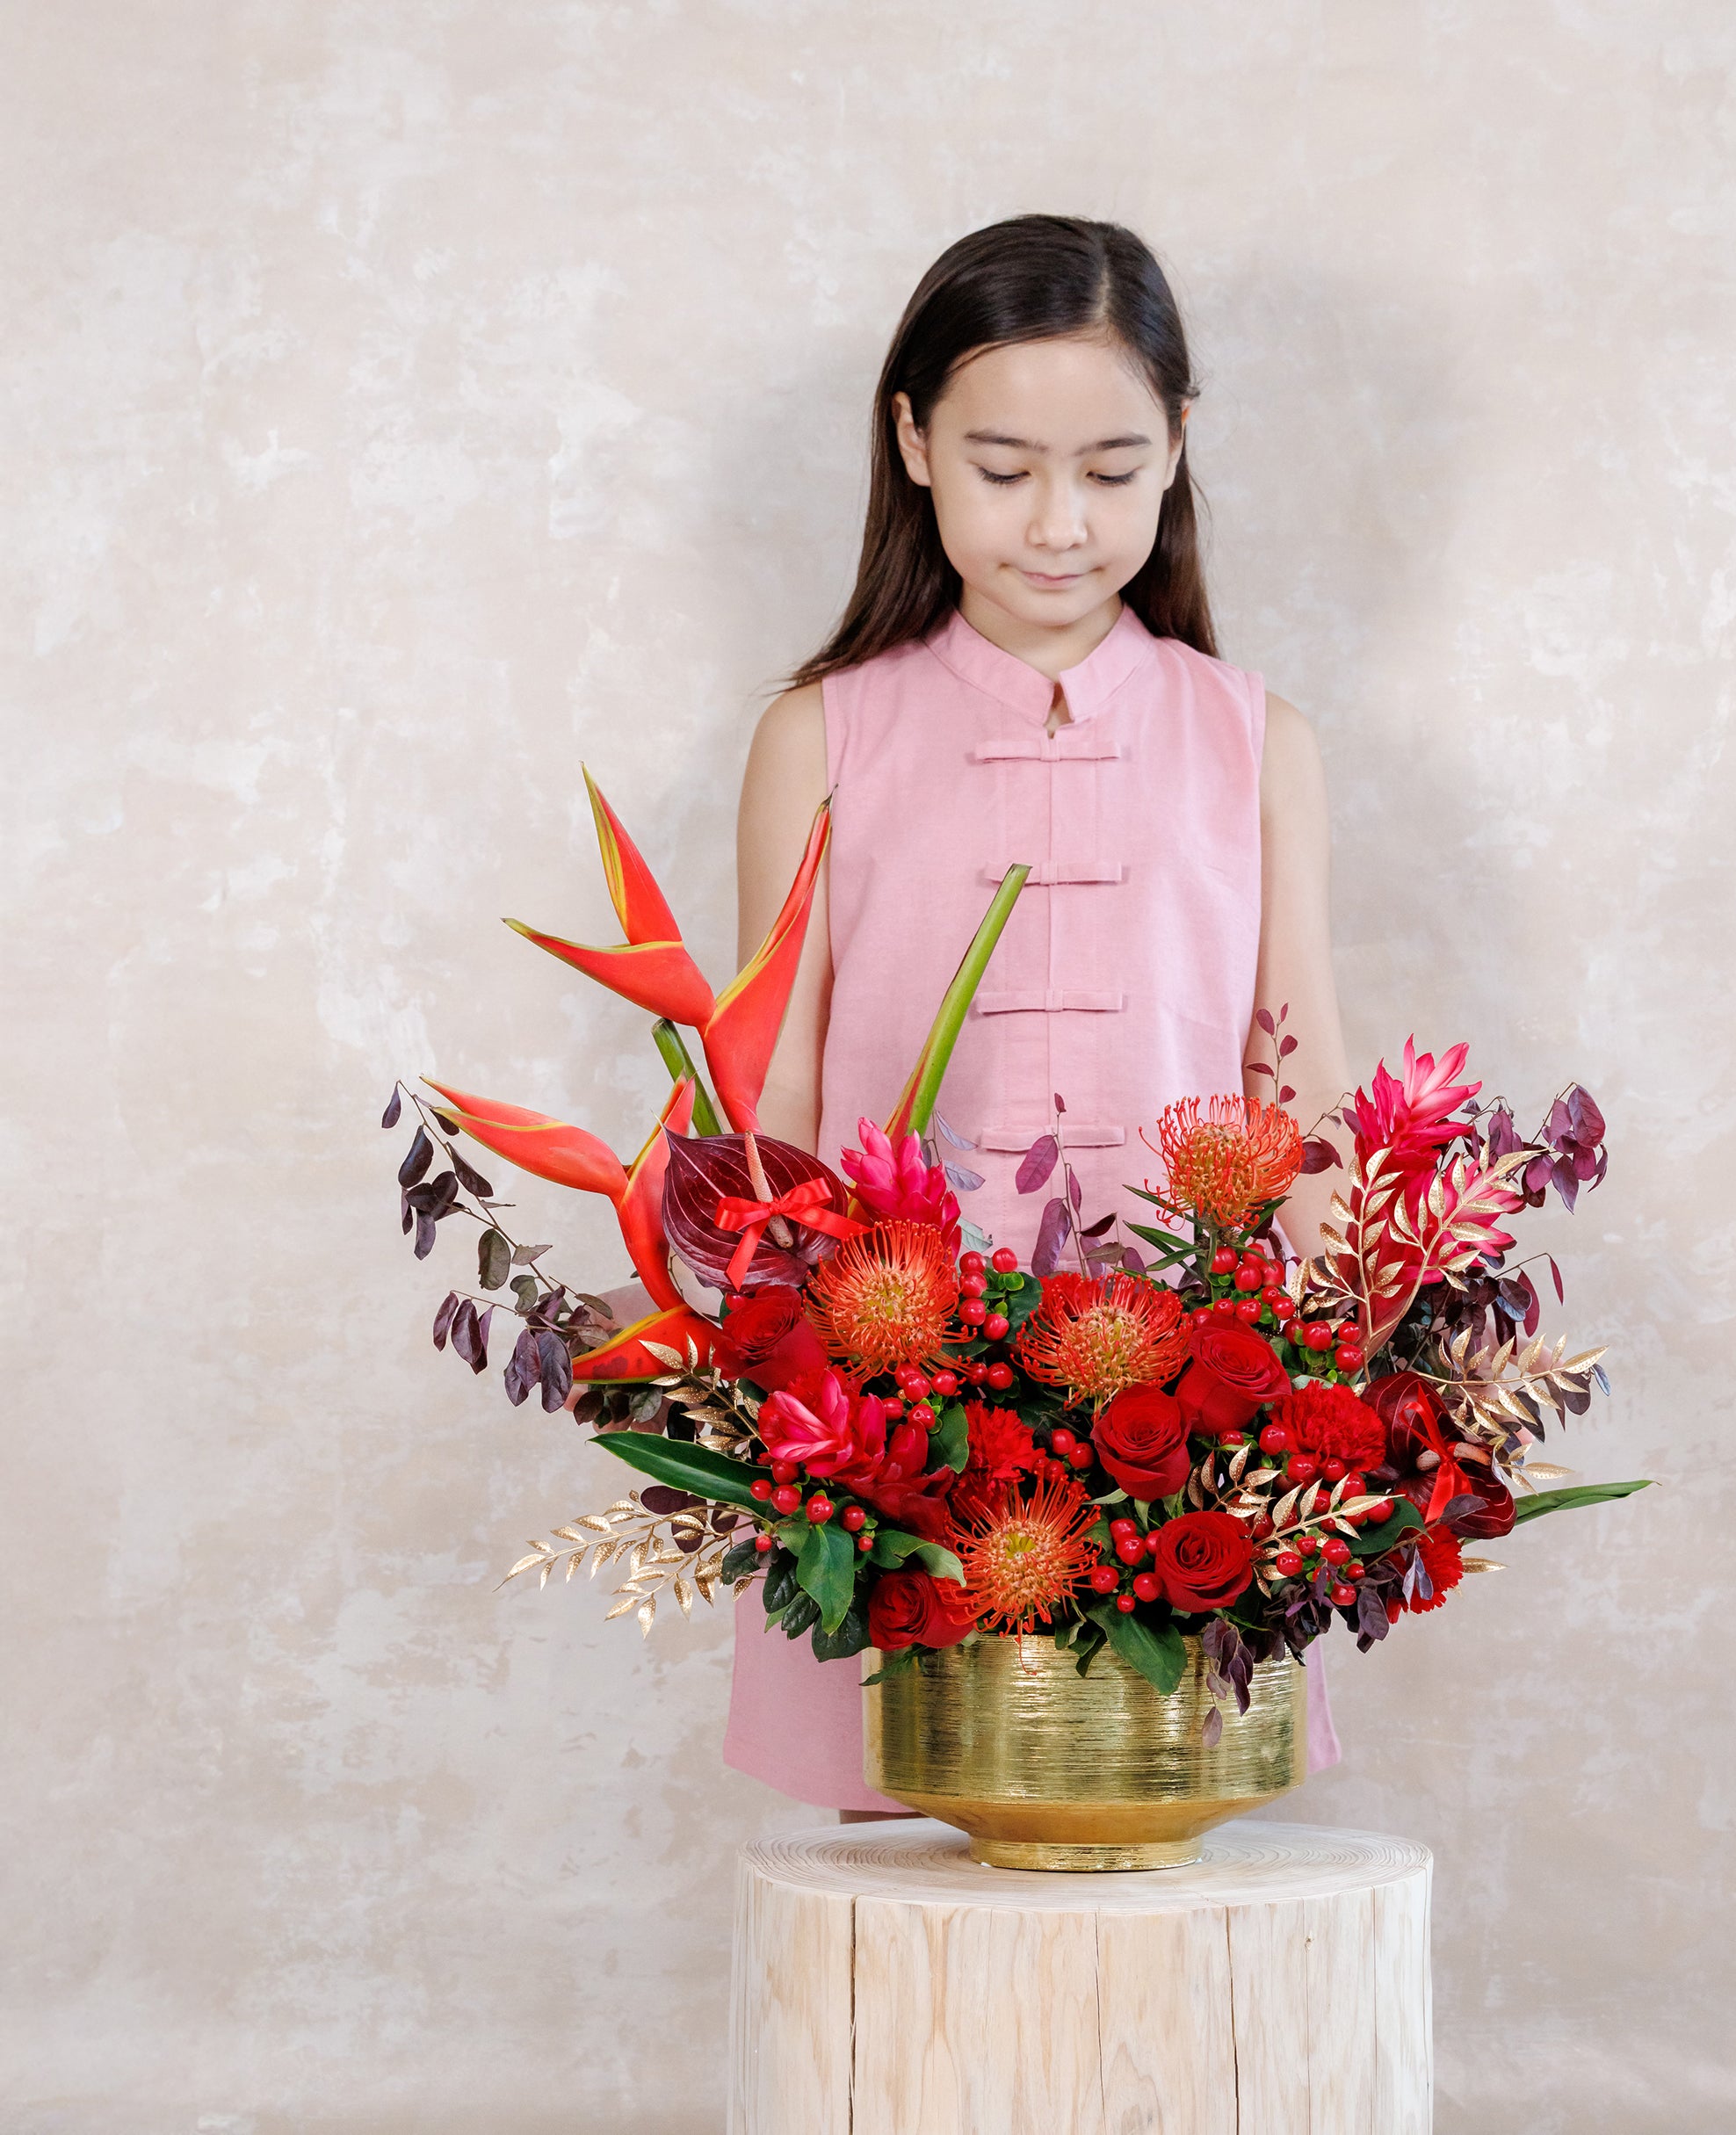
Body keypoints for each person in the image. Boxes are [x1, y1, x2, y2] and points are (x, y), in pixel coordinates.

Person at [726, 214, 1349, 1816]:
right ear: (913, 439)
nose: (1059, 523)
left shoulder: (1252, 736)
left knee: (1145, 1818)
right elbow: (766, 1107)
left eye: (1111, 468)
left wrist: (1342, 1369)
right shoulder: (821, 735)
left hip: (1184, 1394)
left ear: (1179, 449)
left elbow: (1300, 1068)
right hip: (903, 1395)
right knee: (916, 1844)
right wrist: (761, 1355)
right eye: (1004, 468)